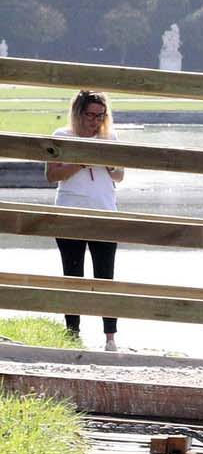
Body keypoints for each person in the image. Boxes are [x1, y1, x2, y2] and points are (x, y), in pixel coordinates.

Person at [45, 89, 124, 350]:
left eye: (100, 116)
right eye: (90, 115)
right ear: (78, 113)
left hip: (104, 213)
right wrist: (83, 161)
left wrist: (107, 161)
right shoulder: (61, 136)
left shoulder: (110, 137)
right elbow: (52, 175)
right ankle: (72, 333)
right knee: (73, 274)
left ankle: (110, 337)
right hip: (70, 214)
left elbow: (119, 176)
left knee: (105, 277)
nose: (95, 121)